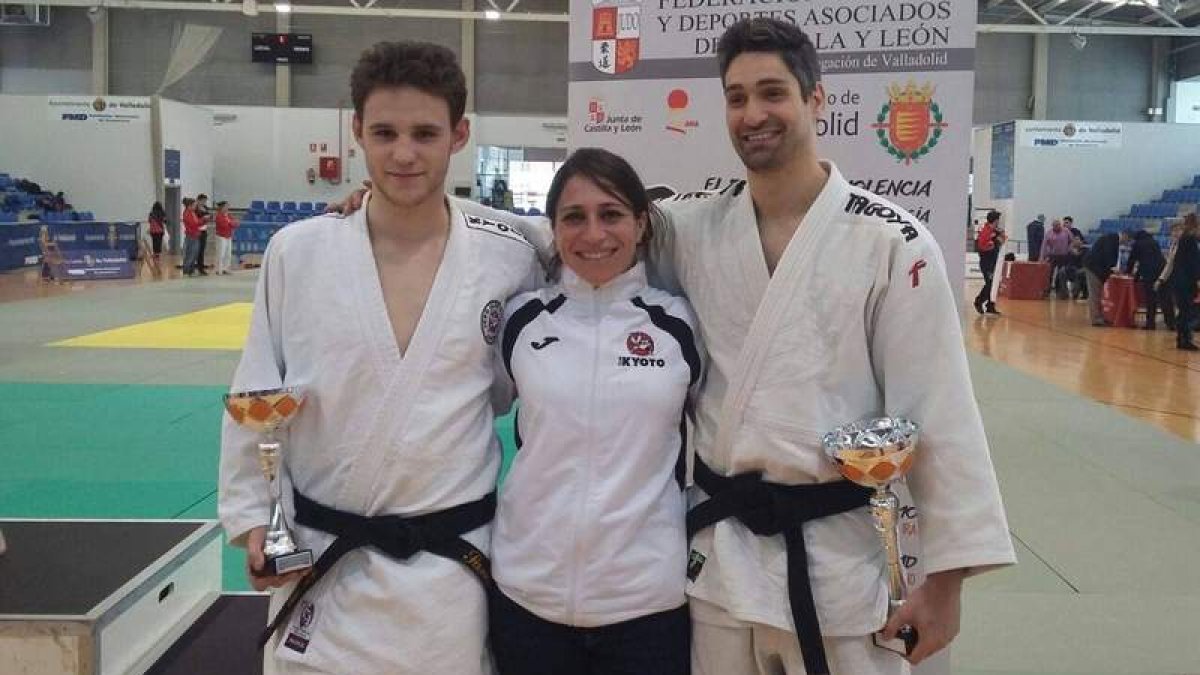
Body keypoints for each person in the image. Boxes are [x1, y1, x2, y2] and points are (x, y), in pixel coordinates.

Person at [336, 19, 1015, 674]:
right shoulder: (696, 227)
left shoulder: (891, 244)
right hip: (719, 561)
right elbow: (577, 234)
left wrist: (946, 581)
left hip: (839, 560)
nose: (754, 113)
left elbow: (940, 412)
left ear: (816, 100)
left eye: (772, 92)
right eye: (738, 97)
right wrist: (395, 204)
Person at [219, 41, 540, 674]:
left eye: (425, 133)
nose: (403, 153)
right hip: (319, 558)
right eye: (385, 133)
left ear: (459, 135)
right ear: (357, 131)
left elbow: (610, 237)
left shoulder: (514, 253)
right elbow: (256, 393)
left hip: (448, 572)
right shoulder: (297, 252)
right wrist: (255, 519)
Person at [489, 148, 699, 675]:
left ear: (641, 223)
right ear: (553, 230)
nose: (593, 234)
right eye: (574, 217)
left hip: (646, 604)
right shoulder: (522, 320)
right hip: (527, 596)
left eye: (611, 215)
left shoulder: (680, 326)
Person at [1157, 214, 1200, 350]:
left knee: (1184, 311)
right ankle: (1185, 339)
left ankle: (1182, 338)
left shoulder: (1182, 241)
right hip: (1186, 282)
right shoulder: (1190, 240)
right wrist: (1198, 279)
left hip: (1178, 281)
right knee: (1187, 312)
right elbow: (1194, 263)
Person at [1124, 228, 1167, 330]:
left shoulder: (1138, 244)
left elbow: (1133, 260)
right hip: (1161, 272)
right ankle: (1170, 322)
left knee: (1150, 299)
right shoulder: (1154, 242)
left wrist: (1128, 274)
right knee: (1164, 298)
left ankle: (1150, 323)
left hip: (1149, 274)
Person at [1083, 230, 1126, 327]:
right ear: (1125, 235)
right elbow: (1108, 256)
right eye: (1128, 240)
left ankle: (1100, 316)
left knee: (1097, 293)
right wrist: (1113, 269)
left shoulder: (1112, 238)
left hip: (1097, 267)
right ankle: (1096, 319)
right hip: (1093, 267)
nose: (1127, 243)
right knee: (1095, 293)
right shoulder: (1111, 239)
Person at [973, 210, 1006, 315]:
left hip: (994, 261)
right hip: (987, 262)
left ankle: (990, 306)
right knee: (990, 283)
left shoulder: (995, 231)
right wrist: (993, 244)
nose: (998, 222)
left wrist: (1000, 238)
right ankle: (979, 301)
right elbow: (981, 247)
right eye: (998, 220)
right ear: (995, 220)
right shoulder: (985, 231)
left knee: (995, 283)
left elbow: (1003, 239)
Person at [1041, 219, 1073, 299]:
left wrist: (1069, 249)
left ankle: (1060, 291)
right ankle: (1047, 291)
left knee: (1061, 274)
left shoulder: (1066, 231)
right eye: (1055, 226)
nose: (1057, 227)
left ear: (1060, 225)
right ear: (1052, 226)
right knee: (1049, 273)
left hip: (1063, 256)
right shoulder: (1049, 233)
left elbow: (1072, 241)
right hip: (1052, 256)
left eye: (1058, 225)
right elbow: (1044, 245)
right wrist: (1042, 257)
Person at [214, 201, 239, 275]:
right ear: (222, 207)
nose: (227, 208)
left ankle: (226, 268)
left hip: (228, 236)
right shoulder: (218, 216)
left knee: (228, 254)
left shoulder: (228, 215)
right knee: (221, 253)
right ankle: (219, 269)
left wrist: (230, 223)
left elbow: (236, 224)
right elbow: (223, 225)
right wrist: (230, 223)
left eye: (228, 206)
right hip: (221, 236)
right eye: (226, 206)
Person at [181, 197, 204, 276]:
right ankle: (186, 271)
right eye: (194, 205)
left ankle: (191, 270)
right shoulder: (187, 213)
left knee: (194, 254)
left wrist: (203, 220)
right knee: (190, 254)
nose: (195, 207)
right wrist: (203, 220)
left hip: (195, 235)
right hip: (191, 236)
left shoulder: (192, 213)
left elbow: (197, 223)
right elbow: (193, 224)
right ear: (189, 206)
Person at [196, 193, 212, 272]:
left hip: (204, 230)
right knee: (196, 250)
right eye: (203, 201)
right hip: (196, 231)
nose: (204, 202)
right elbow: (196, 219)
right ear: (198, 200)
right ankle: (193, 266)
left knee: (202, 250)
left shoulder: (205, 208)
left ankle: (201, 267)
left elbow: (210, 216)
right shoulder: (195, 208)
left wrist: (208, 217)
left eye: (205, 201)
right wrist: (203, 217)